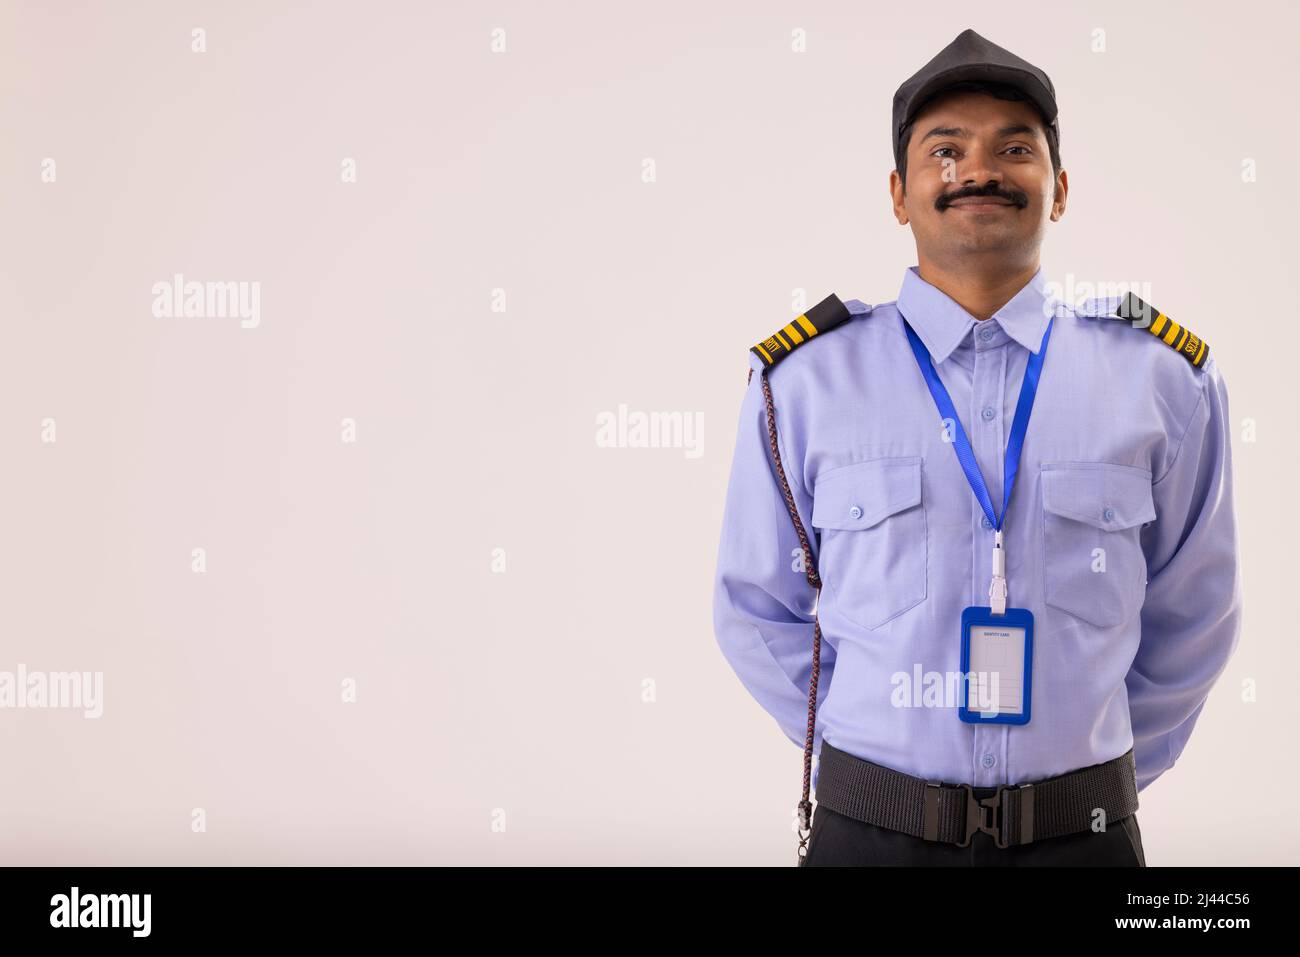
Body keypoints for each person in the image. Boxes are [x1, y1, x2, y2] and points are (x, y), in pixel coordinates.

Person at [711, 29, 1242, 866]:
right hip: (867, 834)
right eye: (946, 149)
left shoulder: (1163, 381)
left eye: (1015, 148)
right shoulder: (803, 384)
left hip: (1084, 838)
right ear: (899, 192)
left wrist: (1084, 774)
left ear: (1060, 189)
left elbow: (1196, 612)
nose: (978, 170)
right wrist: (867, 751)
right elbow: (757, 607)